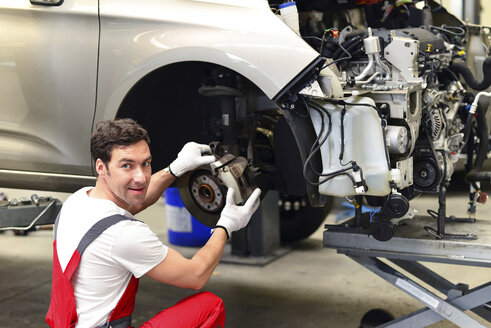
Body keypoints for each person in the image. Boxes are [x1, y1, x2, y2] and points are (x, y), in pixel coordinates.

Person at [45, 118, 261, 328]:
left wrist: (175, 169)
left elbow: (132, 204)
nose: (141, 177)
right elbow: (196, 274)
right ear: (101, 167)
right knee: (210, 307)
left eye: (146, 163)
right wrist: (226, 225)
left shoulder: (79, 200)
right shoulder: (124, 234)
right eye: (127, 166)